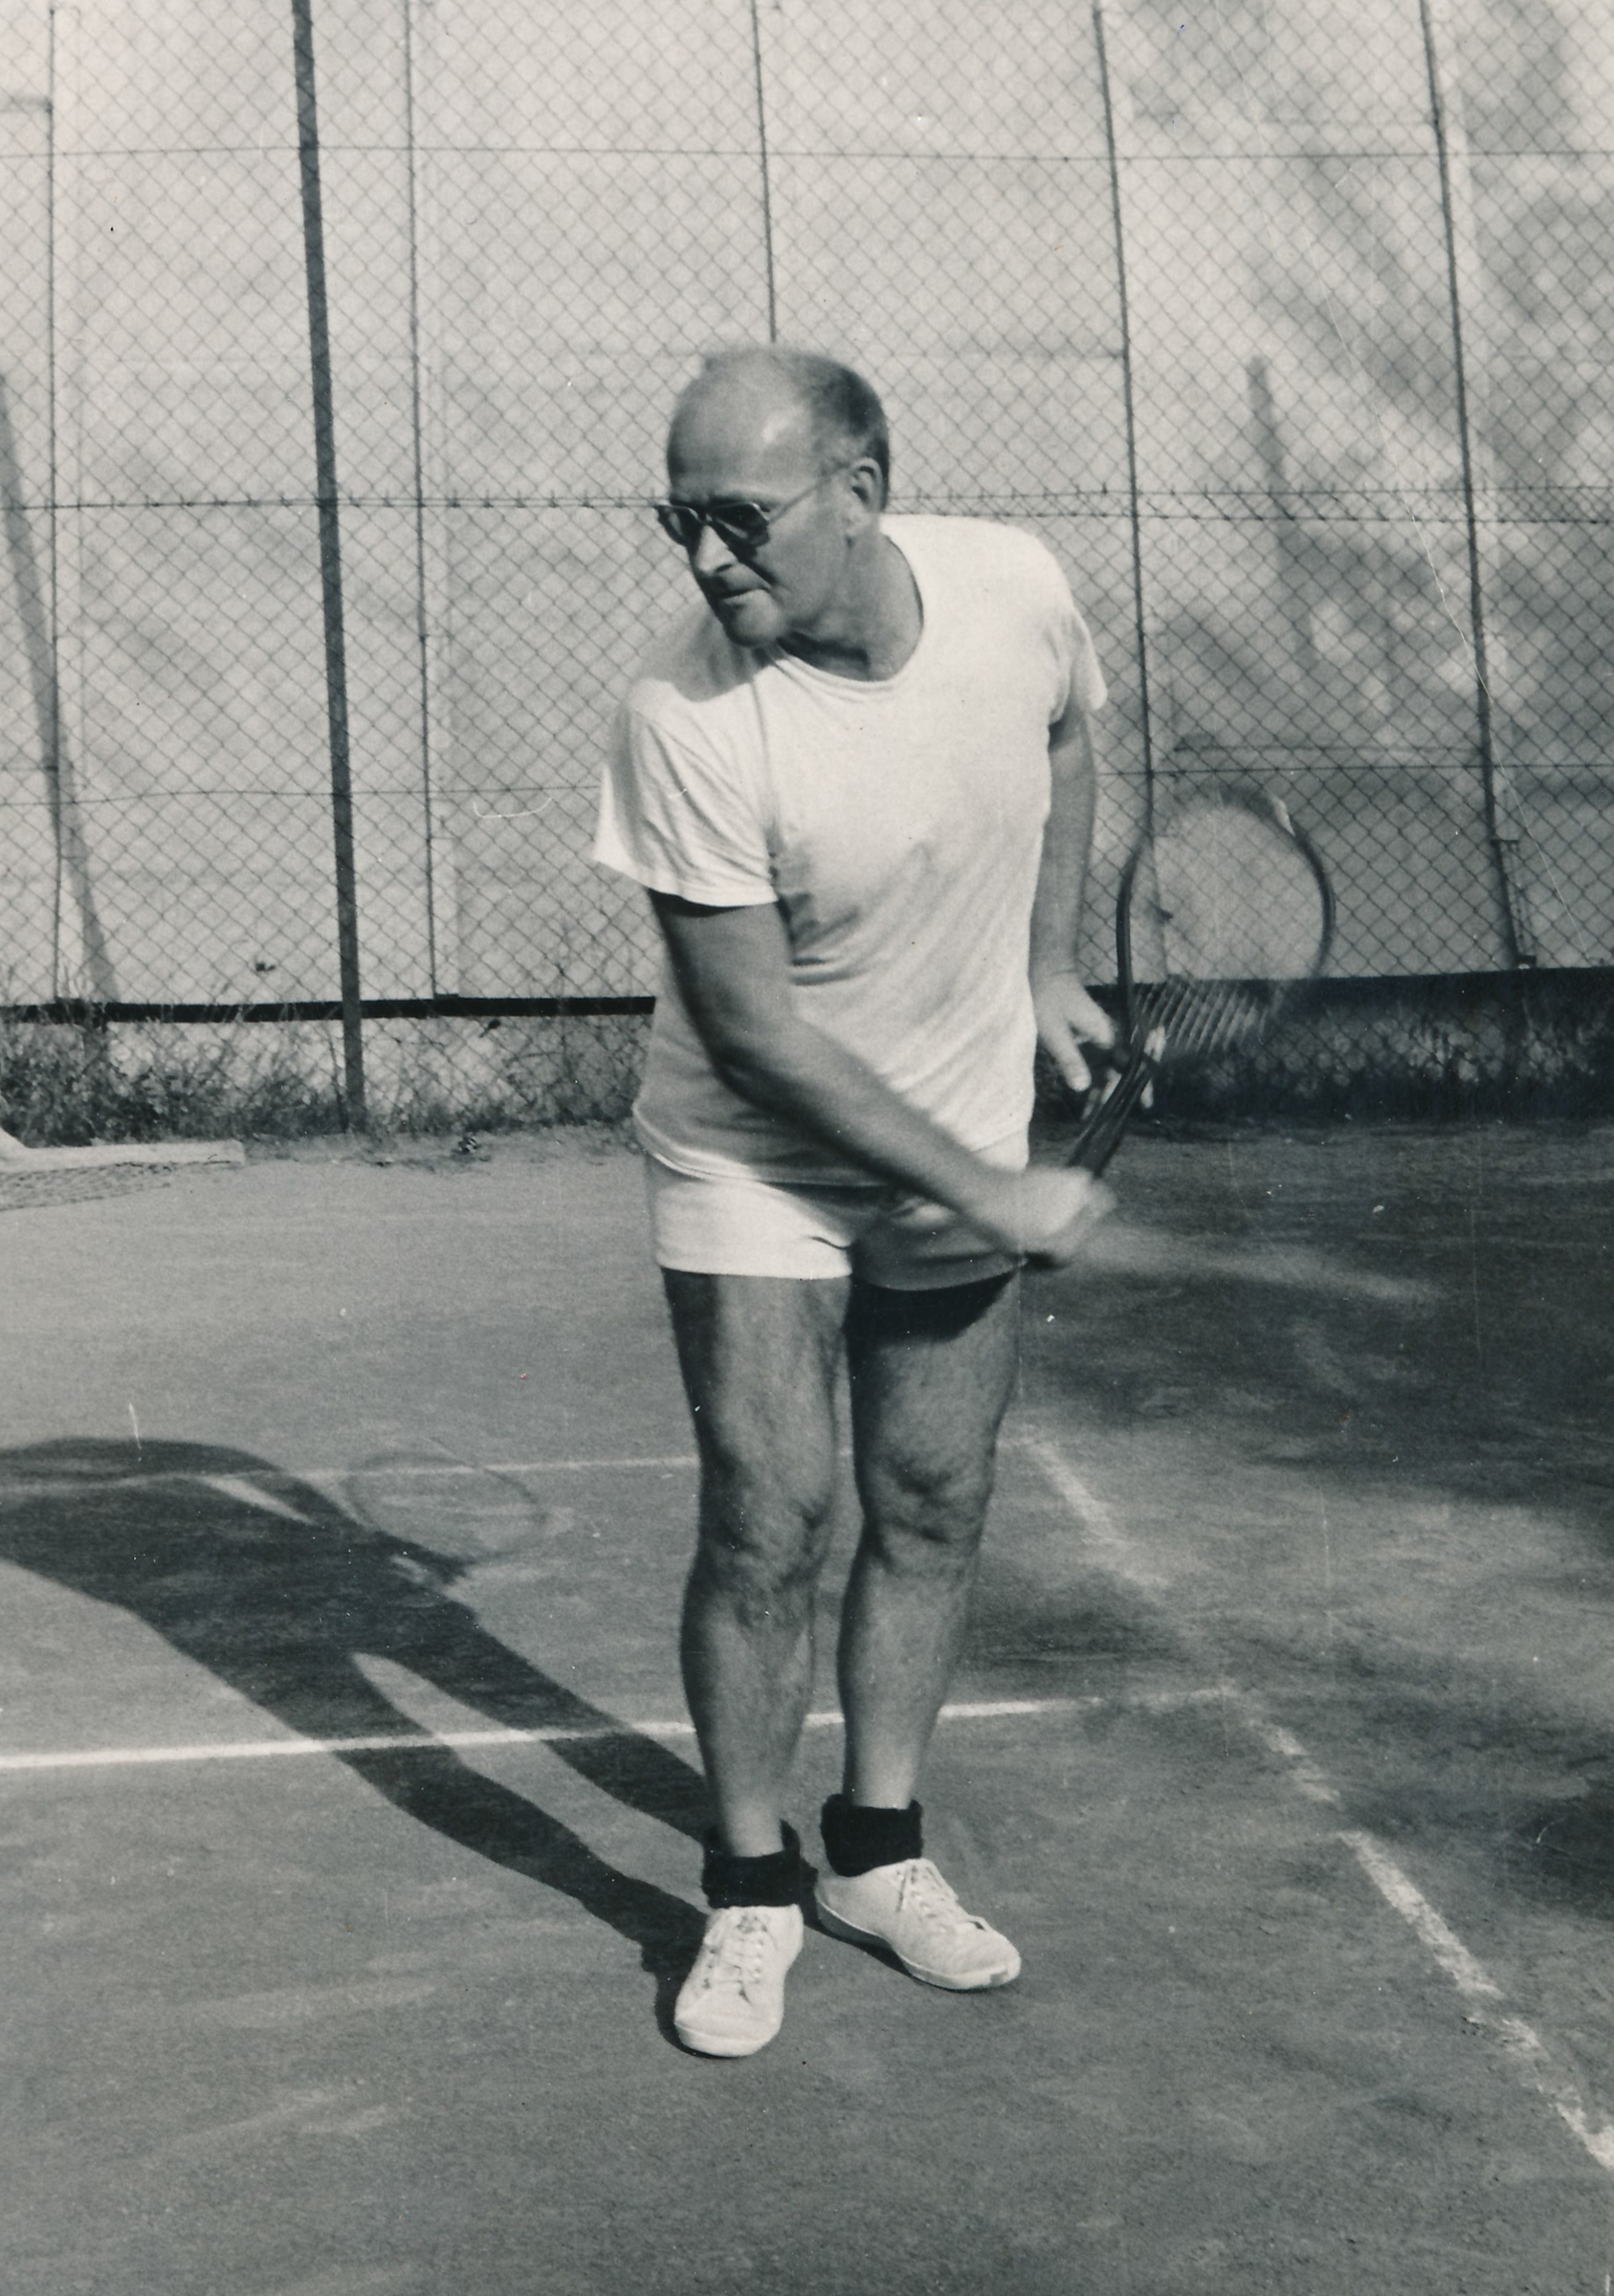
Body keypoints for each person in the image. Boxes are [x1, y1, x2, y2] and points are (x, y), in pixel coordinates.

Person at [593, 345, 1116, 2057]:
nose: (704, 558)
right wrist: (989, 1189)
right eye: (679, 520)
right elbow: (753, 1037)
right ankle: (750, 1888)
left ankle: (877, 1855)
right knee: (771, 1518)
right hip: (755, 1160)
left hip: (957, 1119)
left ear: (861, 493)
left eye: (739, 518)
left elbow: (1066, 742)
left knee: (932, 1500)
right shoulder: (679, 717)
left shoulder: (1013, 588)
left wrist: (1045, 967)